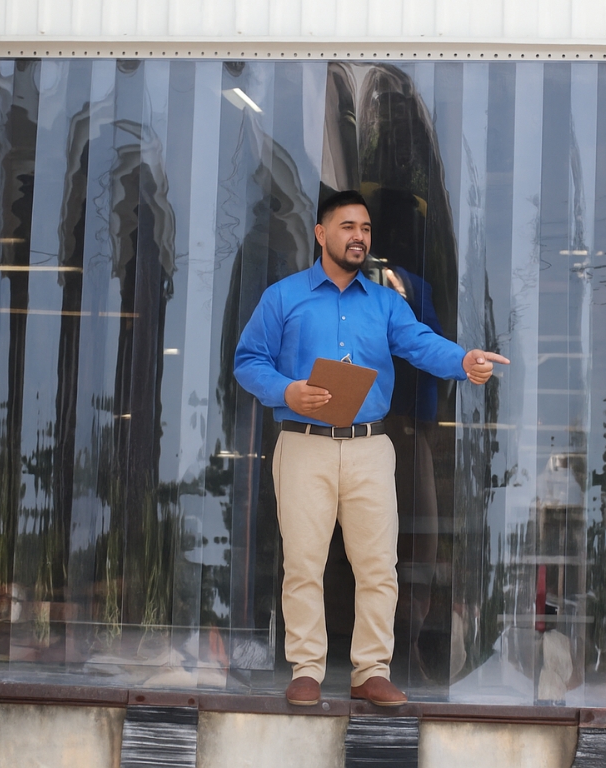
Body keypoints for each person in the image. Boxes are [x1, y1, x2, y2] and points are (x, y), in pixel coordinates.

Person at [233, 190, 508, 707]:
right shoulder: (283, 297)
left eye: (364, 228)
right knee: (303, 564)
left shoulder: (385, 302)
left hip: (369, 447)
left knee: (378, 565)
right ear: (321, 234)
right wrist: (287, 391)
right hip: (304, 443)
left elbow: (421, 344)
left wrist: (463, 360)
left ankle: (371, 670)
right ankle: (307, 670)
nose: (358, 235)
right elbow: (248, 361)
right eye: (346, 226)